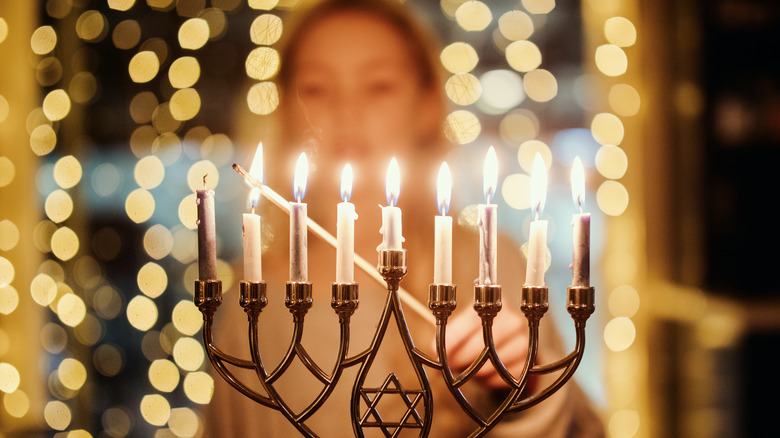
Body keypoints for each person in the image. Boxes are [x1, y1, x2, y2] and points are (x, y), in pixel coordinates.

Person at [205, 0, 604, 436]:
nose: (346, 111)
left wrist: (525, 384)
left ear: (427, 102)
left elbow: (582, 428)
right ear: (284, 107)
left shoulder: (491, 267)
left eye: (378, 86)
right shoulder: (256, 298)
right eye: (316, 88)